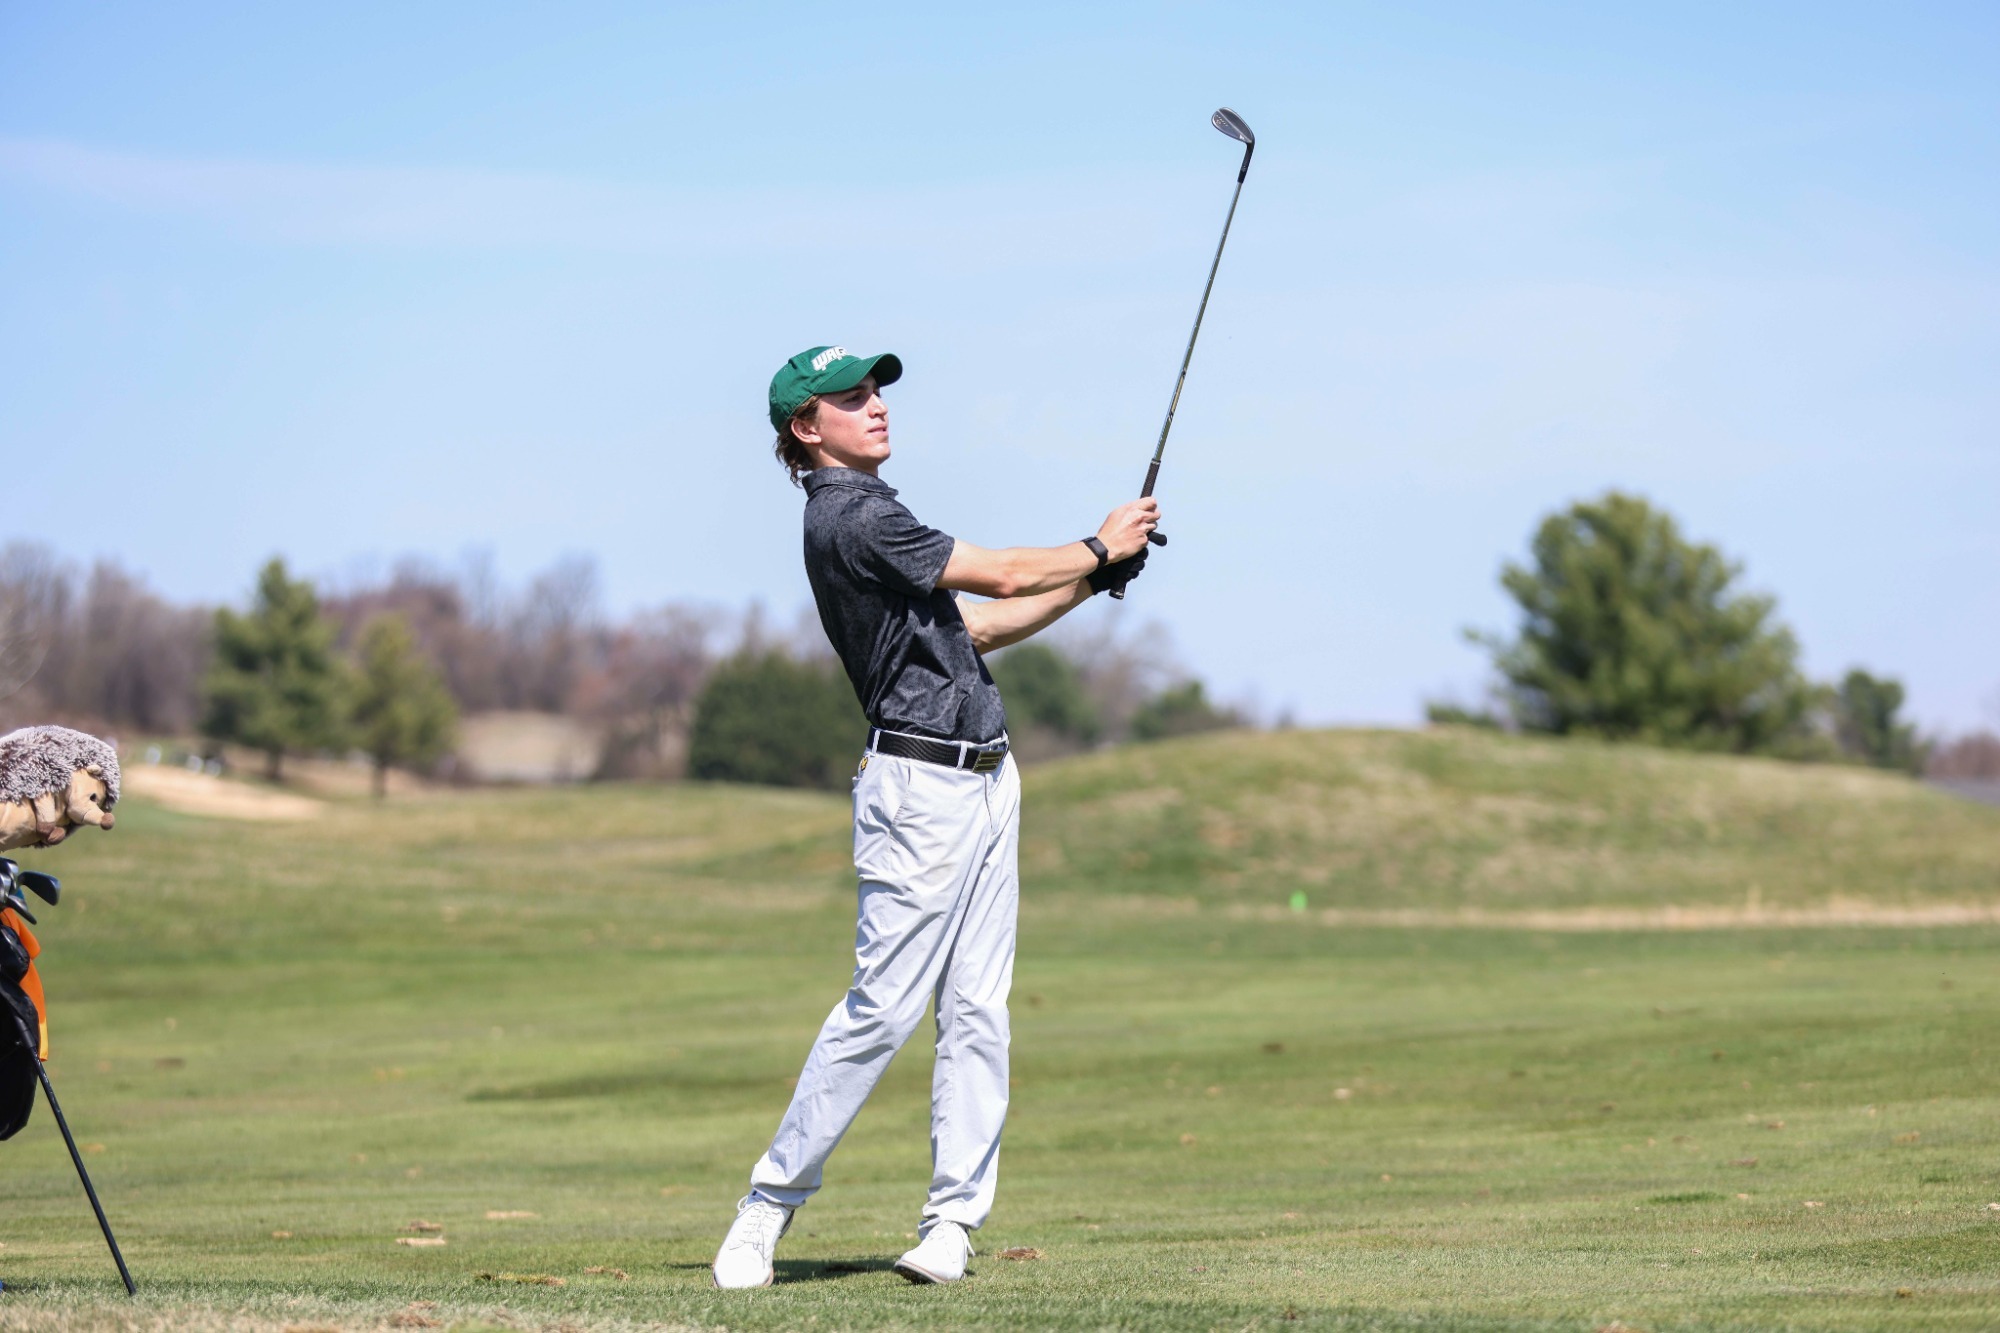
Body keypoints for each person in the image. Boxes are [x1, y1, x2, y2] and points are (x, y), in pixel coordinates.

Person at [711, 346, 1158, 1288]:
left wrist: (1090, 582)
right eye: (850, 399)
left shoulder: (882, 513)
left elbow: (978, 630)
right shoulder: (849, 516)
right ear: (806, 428)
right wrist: (1097, 544)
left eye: (876, 392)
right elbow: (993, 575)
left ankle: (951, 1221)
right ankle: (768, 1203)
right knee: (883, 1008)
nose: (875, 407)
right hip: (920, 792)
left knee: (977, 1013)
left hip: (990, 777)